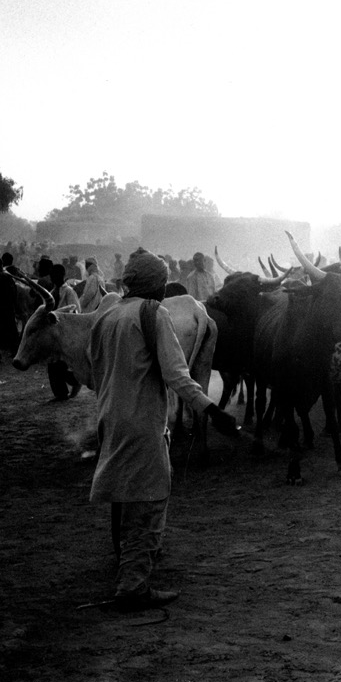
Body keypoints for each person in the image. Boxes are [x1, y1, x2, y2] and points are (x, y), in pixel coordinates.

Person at [89, 250, 238, 612]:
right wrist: (212, 410)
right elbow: (176, 375)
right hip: (142, 422)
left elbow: (95, 370)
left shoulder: (107, 315)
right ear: (156, 283)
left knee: (126, 496)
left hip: (110, 417)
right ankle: (133, 586)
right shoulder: (153, 313)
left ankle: (129, 572)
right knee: (150, 499)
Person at [48, 264, 83, 401]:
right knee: (53, 362)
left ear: (62, 276)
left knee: (60, 363)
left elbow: (76, 311)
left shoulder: (68, 291)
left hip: (64, 331)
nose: (53, 278)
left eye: (55, 275)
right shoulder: (52, 292)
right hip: (53, 332)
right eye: (52, 275)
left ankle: (75, 381)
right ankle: (60, 393)